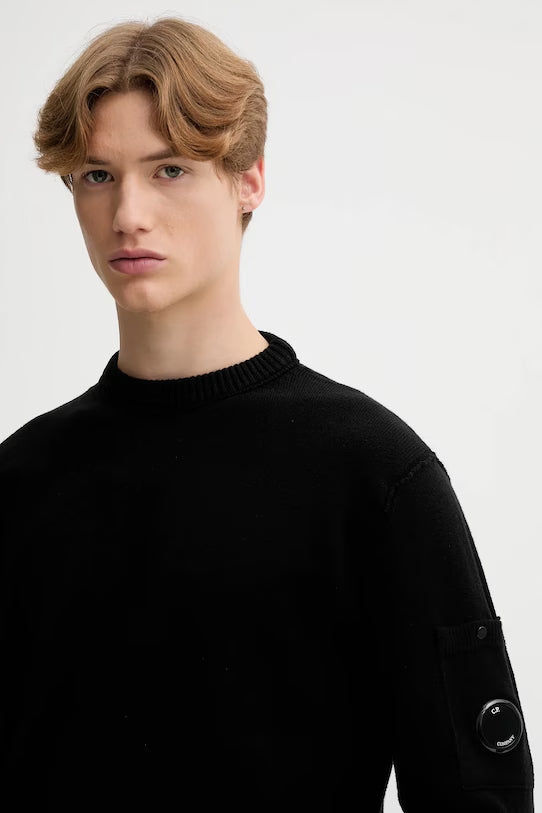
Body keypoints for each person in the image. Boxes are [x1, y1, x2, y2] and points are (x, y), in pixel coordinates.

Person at [0, 15, 534, 812]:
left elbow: (477, 795)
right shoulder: (20, 482)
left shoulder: (375, 475)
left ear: (248, 179)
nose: (128, 214)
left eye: (170, 169)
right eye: (97, 175)